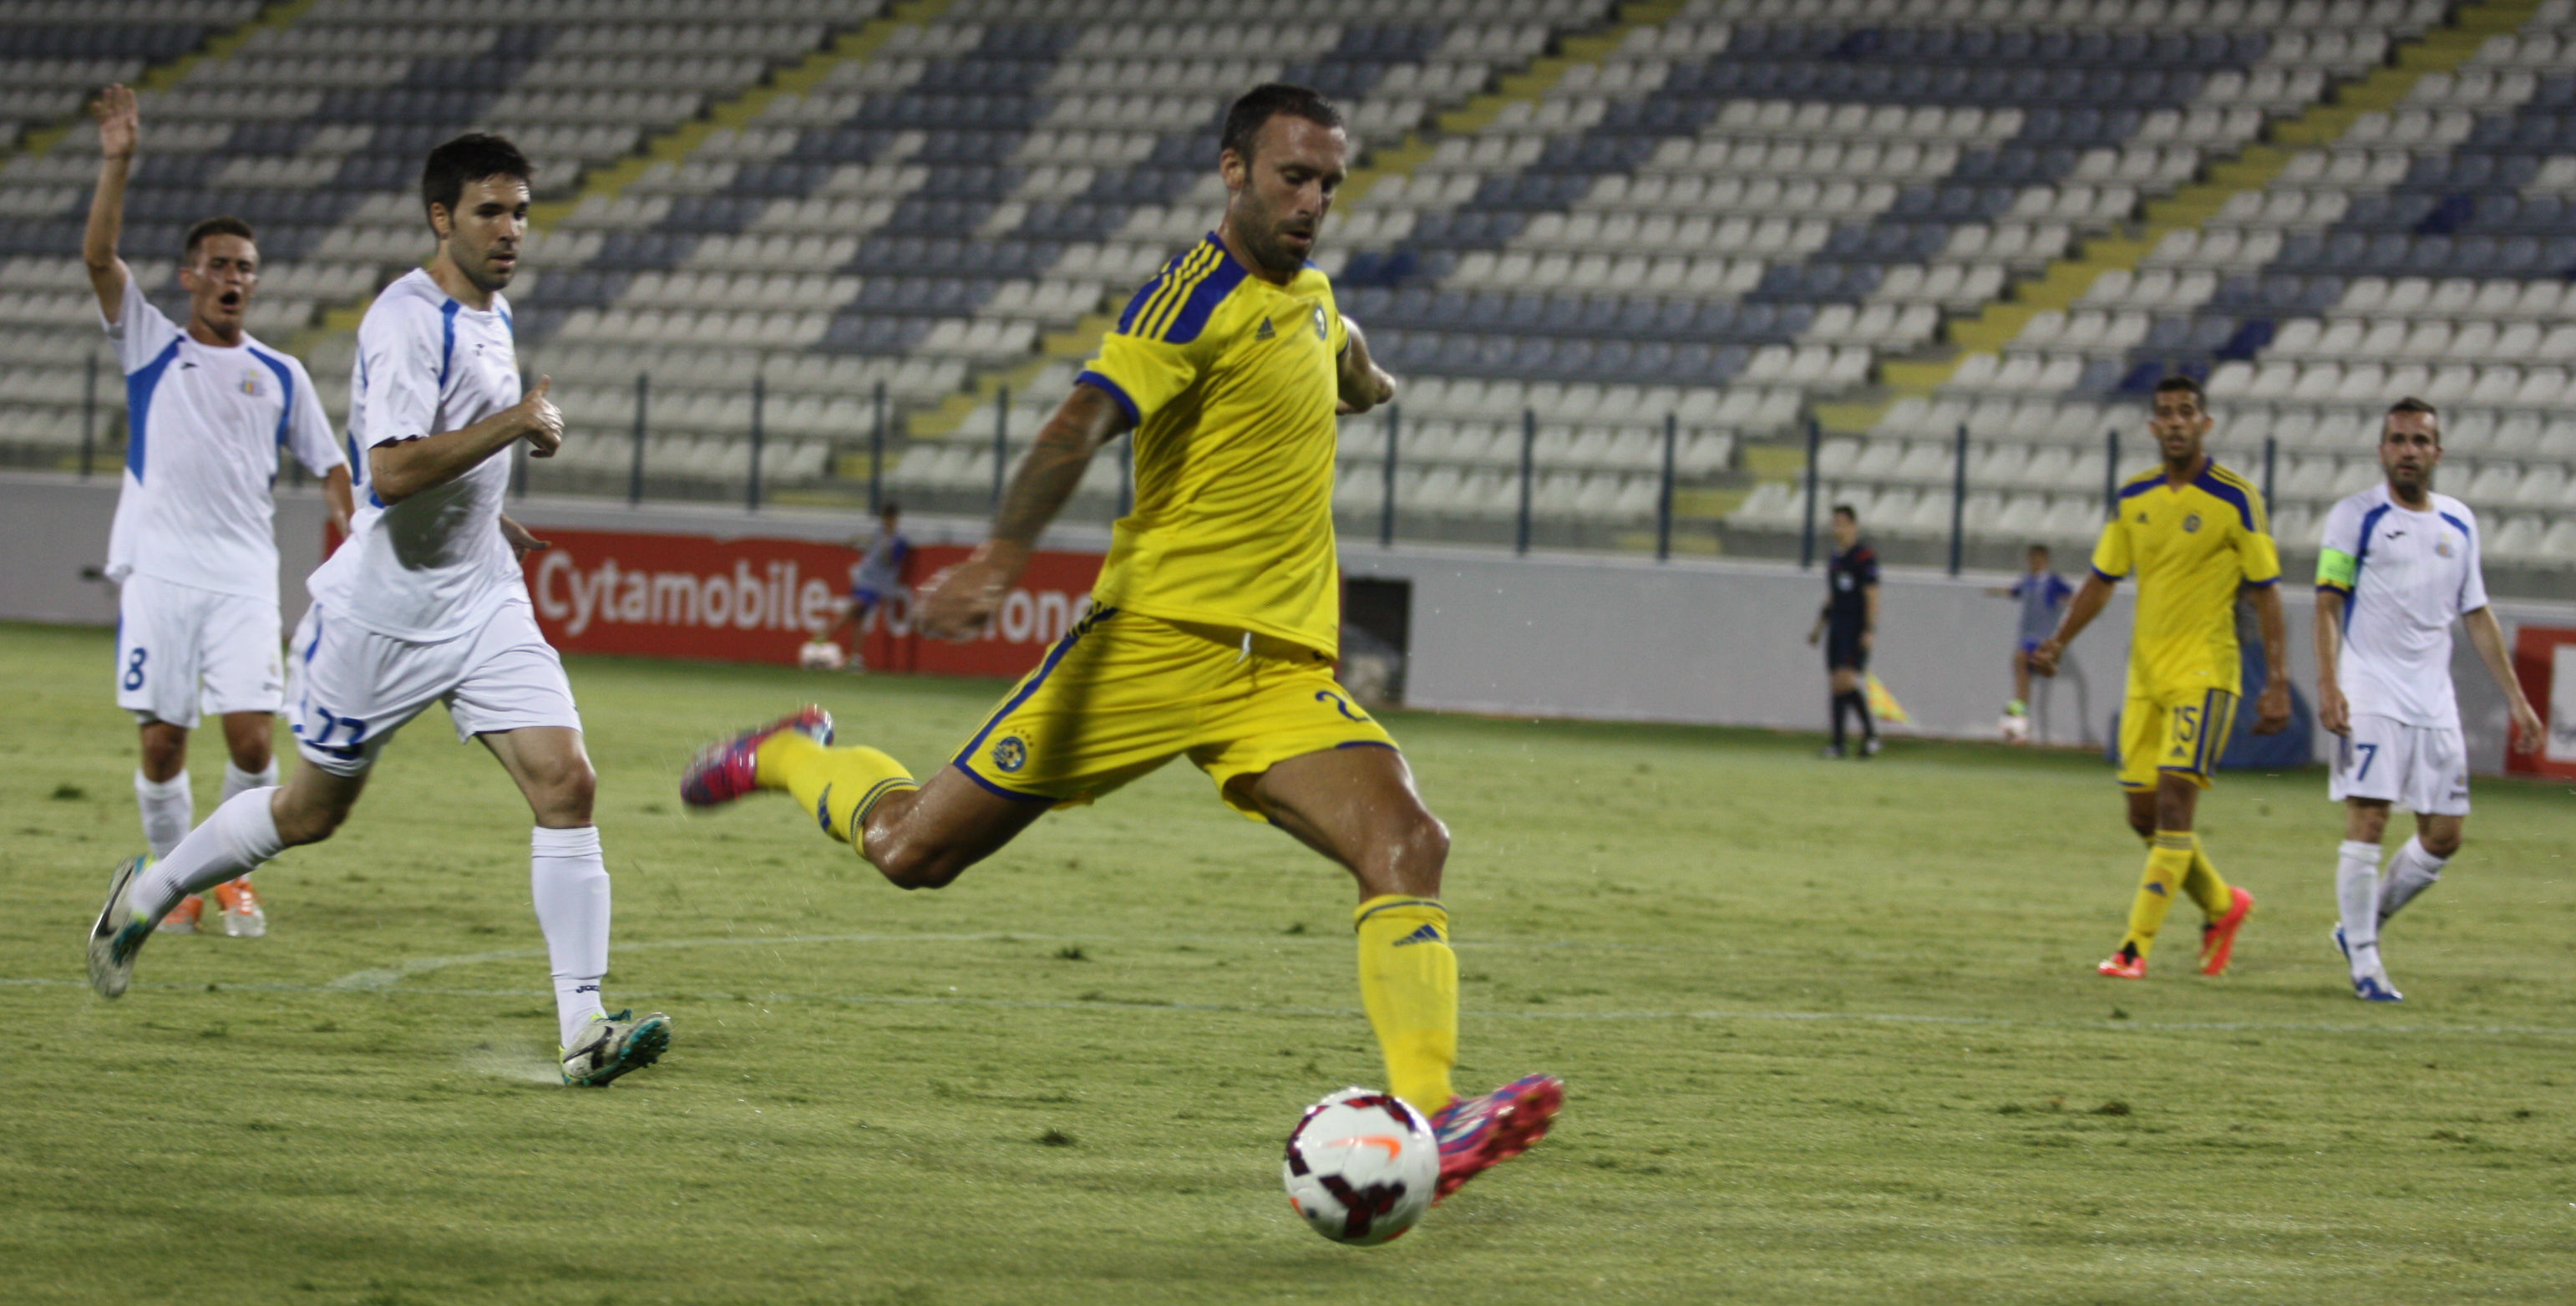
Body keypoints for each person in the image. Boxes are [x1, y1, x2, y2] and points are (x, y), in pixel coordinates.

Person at [680, 84, 1559, 1201]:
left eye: (1330, 184)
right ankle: (793, 752)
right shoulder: (1191, 297)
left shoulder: (1313, 298)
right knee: (911, 852)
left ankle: (1433, 1115)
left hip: (1274, 673)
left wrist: (1366, 379)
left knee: (1408, 842)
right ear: (1233, 171)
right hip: (1143, 650)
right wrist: (1001, 560)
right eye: (1293, 176)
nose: (1313, 202)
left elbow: (1335, 342)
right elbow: (1075, 423)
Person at [87, 133, 669, 1087]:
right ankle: (148, 894)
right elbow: (390, 471)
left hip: (480, 596)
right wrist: (517, 422)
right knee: (310, 813)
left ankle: (584, 1028)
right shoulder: (406, 319)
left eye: (521, 212)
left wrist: (490, 515)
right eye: (490, 211)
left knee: (568, 783)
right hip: (384, 616)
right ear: (442, 217)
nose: (511, 230)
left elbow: (440, 454)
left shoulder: (493, 311)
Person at [84, 84, 356, 938]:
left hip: (242, 579)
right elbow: (99, 259)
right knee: (162, 743)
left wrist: (360, 540)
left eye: (245, 268)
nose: (233, 278)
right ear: (190, 277)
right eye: (220, 265)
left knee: (251, 744)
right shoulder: (151, 346)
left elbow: (332, 466)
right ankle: (173, 882)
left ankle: (230, 874)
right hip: (160, 573)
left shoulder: (280, 374)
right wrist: (117, 162)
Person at [2031, 375, 2288, 980]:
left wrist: (2277, 679)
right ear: (2152, 427)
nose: (2175, 422)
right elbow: (2102, 579)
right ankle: (2223, 904)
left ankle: (2133, 947)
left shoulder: (2236, 498)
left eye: (2186, 412)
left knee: (2175, 802)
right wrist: (2059, 640)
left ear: (2205, 424)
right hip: (2146, 675)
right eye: (2166, 413)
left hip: (2206, 671)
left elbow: (2266, 591)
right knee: (2143, 816)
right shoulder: (2134, 497)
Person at [2314, 398, 2544, 1002]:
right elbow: (2328, 603)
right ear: (2382, 450)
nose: (2408, 451)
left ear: (2437, 452)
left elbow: (2477, 614)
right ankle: (2367, 965)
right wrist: (2329, 683)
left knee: (2444, 834)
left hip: (2433, 699)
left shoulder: (2459, 522)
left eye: (2420, 440)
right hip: (2370, 689)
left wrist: (2518, 700)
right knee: (2369, 818)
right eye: (2398, 440)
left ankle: (2359, 927)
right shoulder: (2354, 516)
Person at [1806, 504, 1879, 757]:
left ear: (1853, 526)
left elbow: (1872, 595)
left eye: (1842, 523)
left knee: (1846, 681)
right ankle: (1838, 743)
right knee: (1836, 684)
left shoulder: (1865, 557)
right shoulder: (1835, 558)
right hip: (1837, 625)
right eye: (1834, 523)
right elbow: (1832, 595)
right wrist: (1818, 628)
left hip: (1855, 625)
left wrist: (1869, 629)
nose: (1837, 529)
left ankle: (1871, 735)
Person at [1990, 543, 2072, 737]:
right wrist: (1994, 592)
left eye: (2037, 559)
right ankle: (2020, 720)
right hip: (2026, 637)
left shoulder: (2052, 581)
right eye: (2031, 559)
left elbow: (2070, 596)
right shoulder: (2027, 581)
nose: (2033, 563)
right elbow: (2014, 592)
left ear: (2045, 560)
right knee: (2022, 674)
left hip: (2043, 638)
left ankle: (2019, 718)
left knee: (2020, 660)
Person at [819, 501, 911, 669]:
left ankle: (822, 638)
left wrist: (885, 545)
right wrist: (855, 541)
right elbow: (868, 544)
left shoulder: (899, 541)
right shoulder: (878, 534)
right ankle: (856, 658)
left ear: (895, 519)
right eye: (886, 518)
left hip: (877, 585)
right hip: (864, 581)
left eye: (891, 518)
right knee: (859, 618)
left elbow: (890, 562)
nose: (888, 521)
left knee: (854, 610)